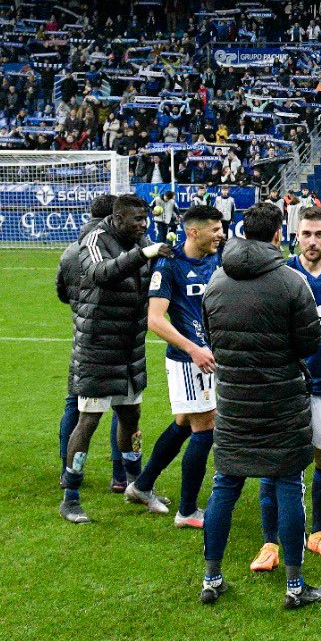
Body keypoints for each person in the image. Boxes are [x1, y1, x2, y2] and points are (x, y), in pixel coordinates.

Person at [198, 203, 321, 608]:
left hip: (234, 399)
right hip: (281, 400)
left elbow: (214, 338)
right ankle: (294, 586)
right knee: (289, 484)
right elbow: (310, 342)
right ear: (277, 236)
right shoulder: (290, 283)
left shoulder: (217, 280)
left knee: (225, 485)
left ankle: (212, 577)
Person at [257, 205, 321, 568]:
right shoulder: (281, 274)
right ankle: (270, 543)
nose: (313, 241)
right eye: (307, 234)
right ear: (295, 235)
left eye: (320, 234)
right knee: (276, 465)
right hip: (285, 388)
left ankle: (317, 532)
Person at [62, 195, 173, 523]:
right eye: (136, 219)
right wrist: (143, 254)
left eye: (145, 219)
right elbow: (100, 273)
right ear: (117, 218)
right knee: (89, 421)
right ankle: (71, 497)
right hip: (98, 347)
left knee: (131, 416)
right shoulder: (95, 239)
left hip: (130, 347)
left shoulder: (142, 239)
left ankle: (138, 486)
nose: (143, 224)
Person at [128, 205, 225, 527]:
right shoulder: (169, 265)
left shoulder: (219, 259)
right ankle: (187, 511)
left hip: (209, 357)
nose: (221, 234)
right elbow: (154, 320)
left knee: (184, 423)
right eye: (215, 229)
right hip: (189, 360)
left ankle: (142, 485)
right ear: (193, 231)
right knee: (205, 429)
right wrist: (193, 349)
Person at [55, 195, 124, 488]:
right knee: (123, 408)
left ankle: (67, 470)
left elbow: (61, 292)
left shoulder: (72, 250)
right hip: (118, 337)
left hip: (83, 334)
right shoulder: (120, 251)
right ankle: (121, 476)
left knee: (75, 404)